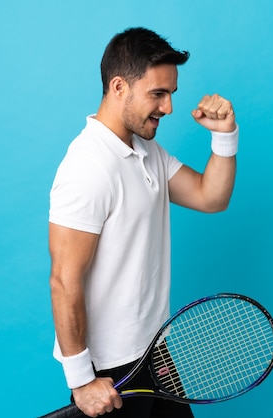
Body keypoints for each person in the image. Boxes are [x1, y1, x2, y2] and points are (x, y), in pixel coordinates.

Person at [48, 27, 238, 418]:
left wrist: (224, 136)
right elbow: (64, 279)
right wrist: (82, 380)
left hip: (155, 353)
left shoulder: (147, 150)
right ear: (119, 87)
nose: (168, 107)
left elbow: (210, 196)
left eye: (171, 94)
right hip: (111, 369)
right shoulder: (87, 167)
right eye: (158, 94)